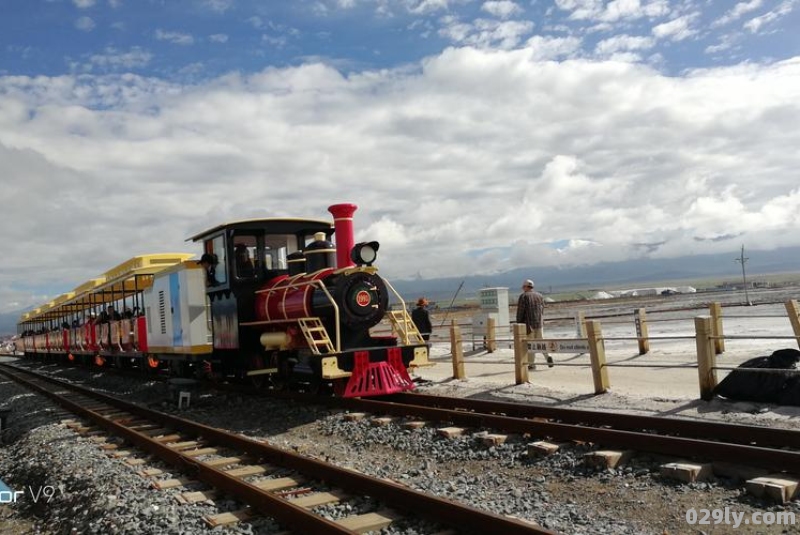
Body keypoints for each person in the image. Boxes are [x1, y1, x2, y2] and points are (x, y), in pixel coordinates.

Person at [516, 279, 553, 369]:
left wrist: (519, 324)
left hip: (528, 325)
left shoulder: (523, 296)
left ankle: (532, 364)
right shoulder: (539, 296)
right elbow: (542, 310)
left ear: (525, 287)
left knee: (530, 345)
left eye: (523, 286)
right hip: (539, 324)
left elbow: (520, 312)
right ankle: (548, 356)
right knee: (541, 342)